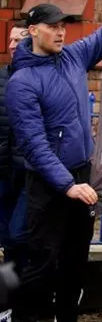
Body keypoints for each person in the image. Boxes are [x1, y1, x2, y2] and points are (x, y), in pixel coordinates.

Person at [5, 0, 102, 322]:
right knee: (42, 263)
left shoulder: (73, 56)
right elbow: (34, 144)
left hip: (81, 176)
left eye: (63, 27)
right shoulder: (22, 83)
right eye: (53, 27)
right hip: (49, 185)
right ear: (33, 30)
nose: (61, 33)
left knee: (76, 260)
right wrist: (66, 185)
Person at [0, 20, 28, 274]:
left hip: (29, 175)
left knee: (19, 236)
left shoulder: (41, 77)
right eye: (10, 40)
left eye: (17, 40)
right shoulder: (1, 77)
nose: (11, 45)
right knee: (6, 238)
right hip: (3, 173)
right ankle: (9, 301)